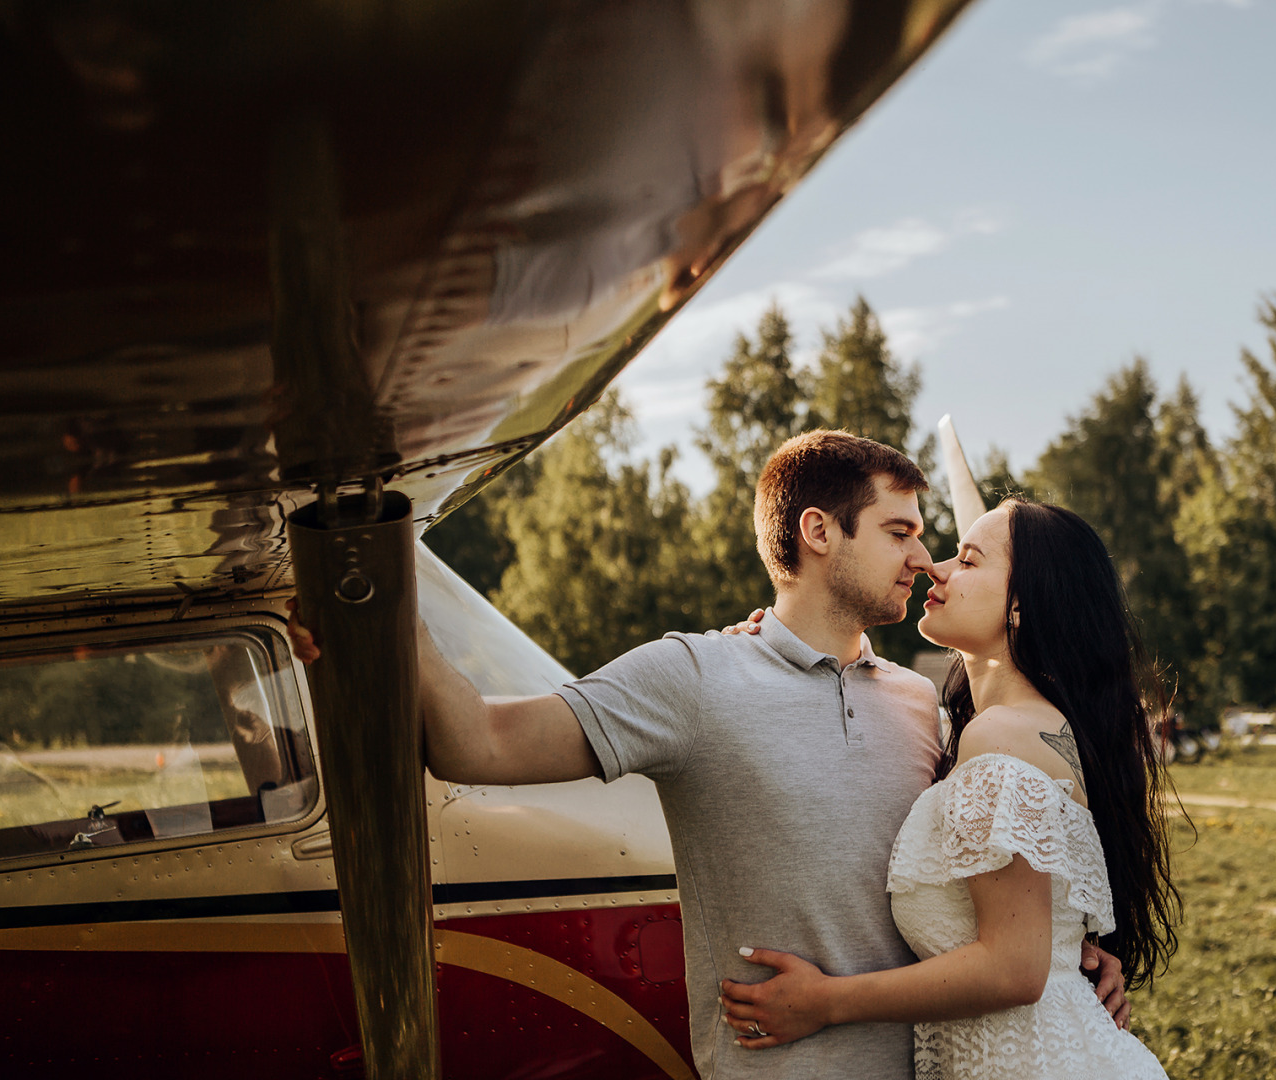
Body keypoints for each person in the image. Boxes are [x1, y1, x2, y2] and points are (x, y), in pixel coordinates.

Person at [288, 431, 1129, 1079]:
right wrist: (377, 608)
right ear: (817, 532)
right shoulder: (693, 677)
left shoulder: (926, 705)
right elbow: (477, 742)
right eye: (901, 531)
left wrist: (1073, 955)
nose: (924, 558)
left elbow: (1001, 878)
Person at [718, 497, 1179, 1079]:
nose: (934, 567)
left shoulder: (1001, 736)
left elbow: (1013, 970)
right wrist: (765, 647)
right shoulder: (1034, 727)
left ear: (1020, 607)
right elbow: (1040, 930)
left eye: (967, 560)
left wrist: (823, 1003)